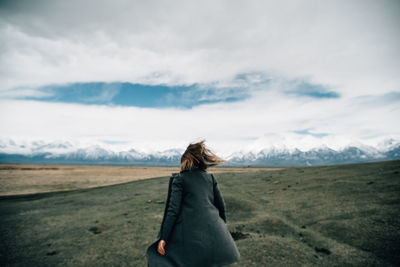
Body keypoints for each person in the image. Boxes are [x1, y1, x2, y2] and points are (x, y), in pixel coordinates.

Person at [146, 140, 240, 266]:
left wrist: (164, 238)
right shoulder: (210, 178)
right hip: (214, 232)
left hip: (191, 239)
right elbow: (221, 206)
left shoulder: (180, 179)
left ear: (185, 162)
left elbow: (173, 211)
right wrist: (222, 229)